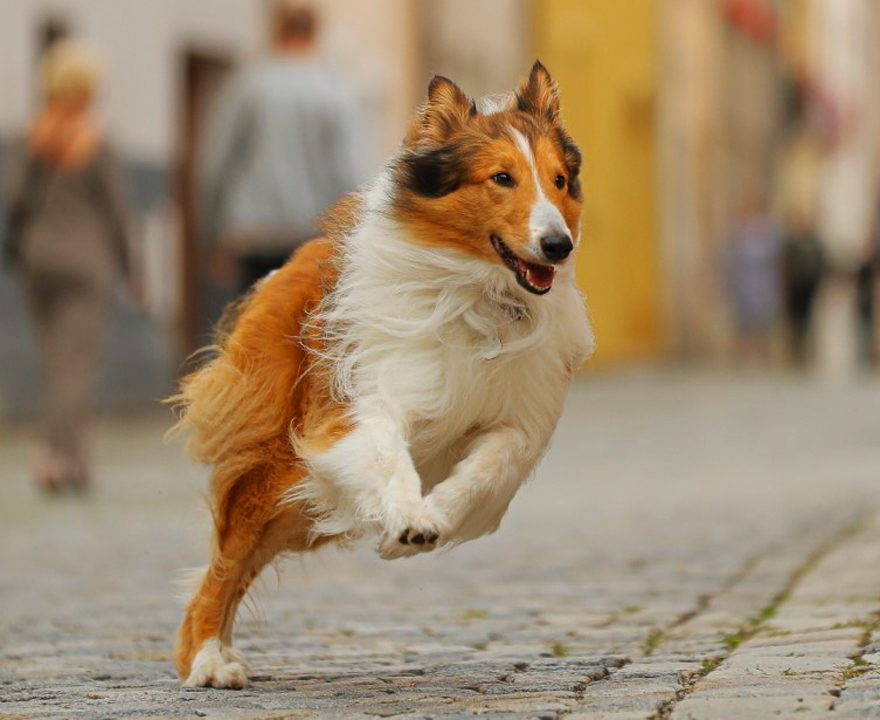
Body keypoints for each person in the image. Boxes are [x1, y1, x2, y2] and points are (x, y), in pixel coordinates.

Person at [1, 41, 131, 494]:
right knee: (76, 364)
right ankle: (64, 459)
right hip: (87, 261)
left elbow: (13, 199)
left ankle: (62, 454)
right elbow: (117, 213)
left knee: (54, 360)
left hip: (38, 260)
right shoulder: (97, 143)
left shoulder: (30, 139)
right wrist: (134, 269)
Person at [199, 1, 369, 292]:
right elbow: (349, 171)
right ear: (315, 34)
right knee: (297, 328)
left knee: (251, 321)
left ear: (277, 32)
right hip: (313, 235)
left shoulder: (249, 85)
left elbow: (216, 162)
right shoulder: (336, 91)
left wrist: (212, 234)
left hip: (253, 235)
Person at [724, 196, 782, 366]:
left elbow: (776, 257)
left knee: (764, 319)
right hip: (745, 283)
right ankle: (745, 353)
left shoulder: (769, 231)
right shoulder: (738, 233)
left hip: (765, 283)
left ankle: (764, 353)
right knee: (744, 321)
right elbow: (730, 259)